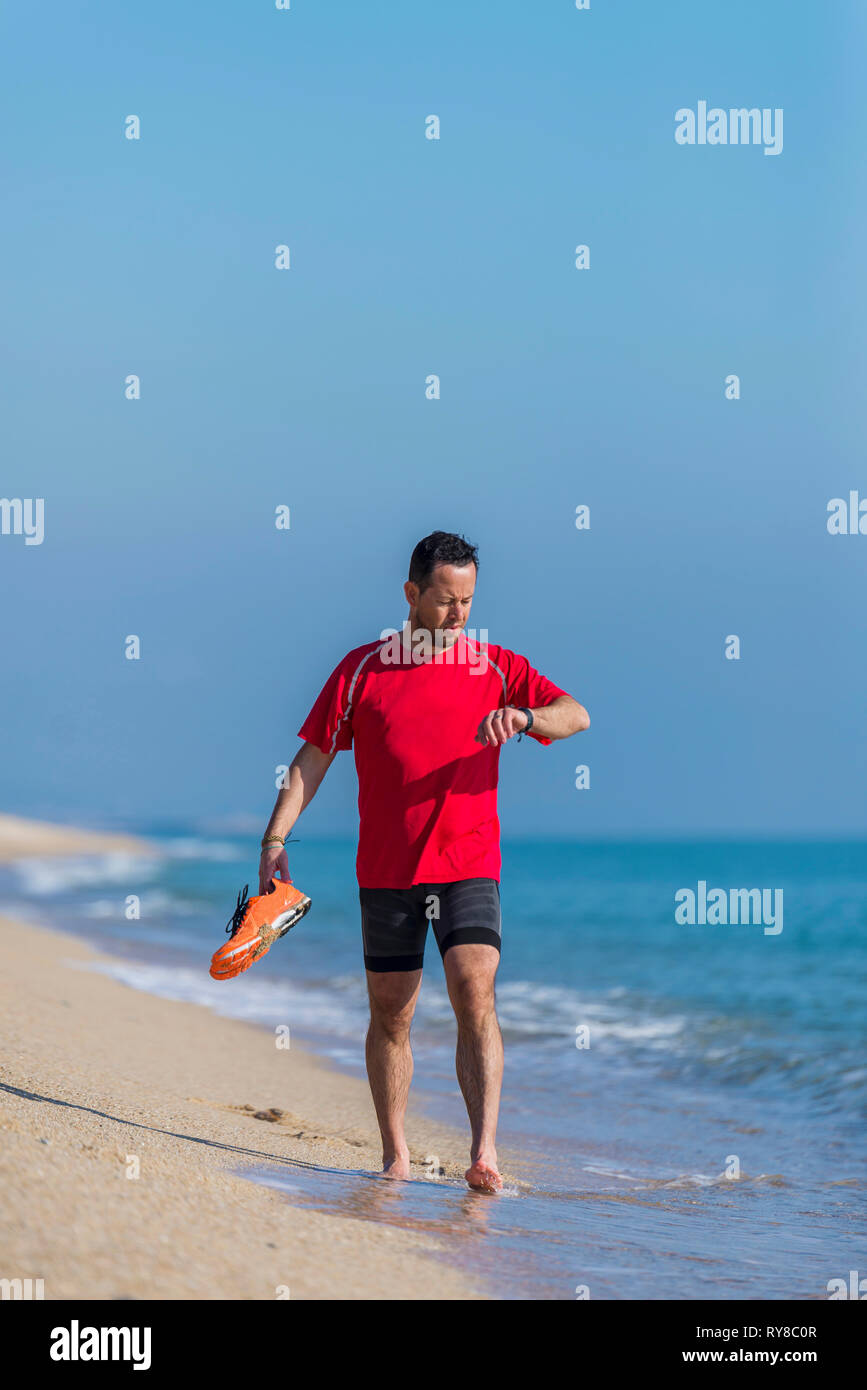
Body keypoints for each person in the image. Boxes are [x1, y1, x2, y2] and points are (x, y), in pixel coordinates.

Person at [258, 531, 589, 1192]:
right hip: (386, 872)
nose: (457, 614)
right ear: (411, 594)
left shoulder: (496, 667)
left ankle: (484, 1153)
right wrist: (274, 838)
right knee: (391, 1014)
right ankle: (395, 1156)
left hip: (468, 864)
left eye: (467, 600)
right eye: (443, 600)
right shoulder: (360, 671)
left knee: (474, 993)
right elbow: (312, 759)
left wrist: (523, 717)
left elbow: (574, 715)